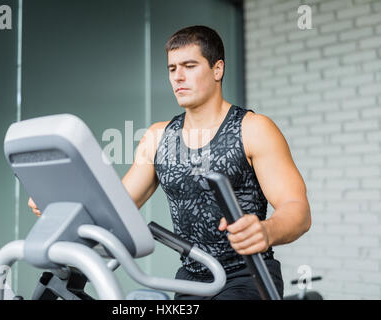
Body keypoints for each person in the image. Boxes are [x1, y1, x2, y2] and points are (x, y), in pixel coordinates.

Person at [29, 25, 311, 300]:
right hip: (192, 278)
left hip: (248, 276)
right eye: (172, 69)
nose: (178, 77)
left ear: (217, 69)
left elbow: (297, 209)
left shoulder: (253, 128)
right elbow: (116, 209)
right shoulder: (157, 136)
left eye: (189, 66)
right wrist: (61, 204)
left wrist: (266, 230)